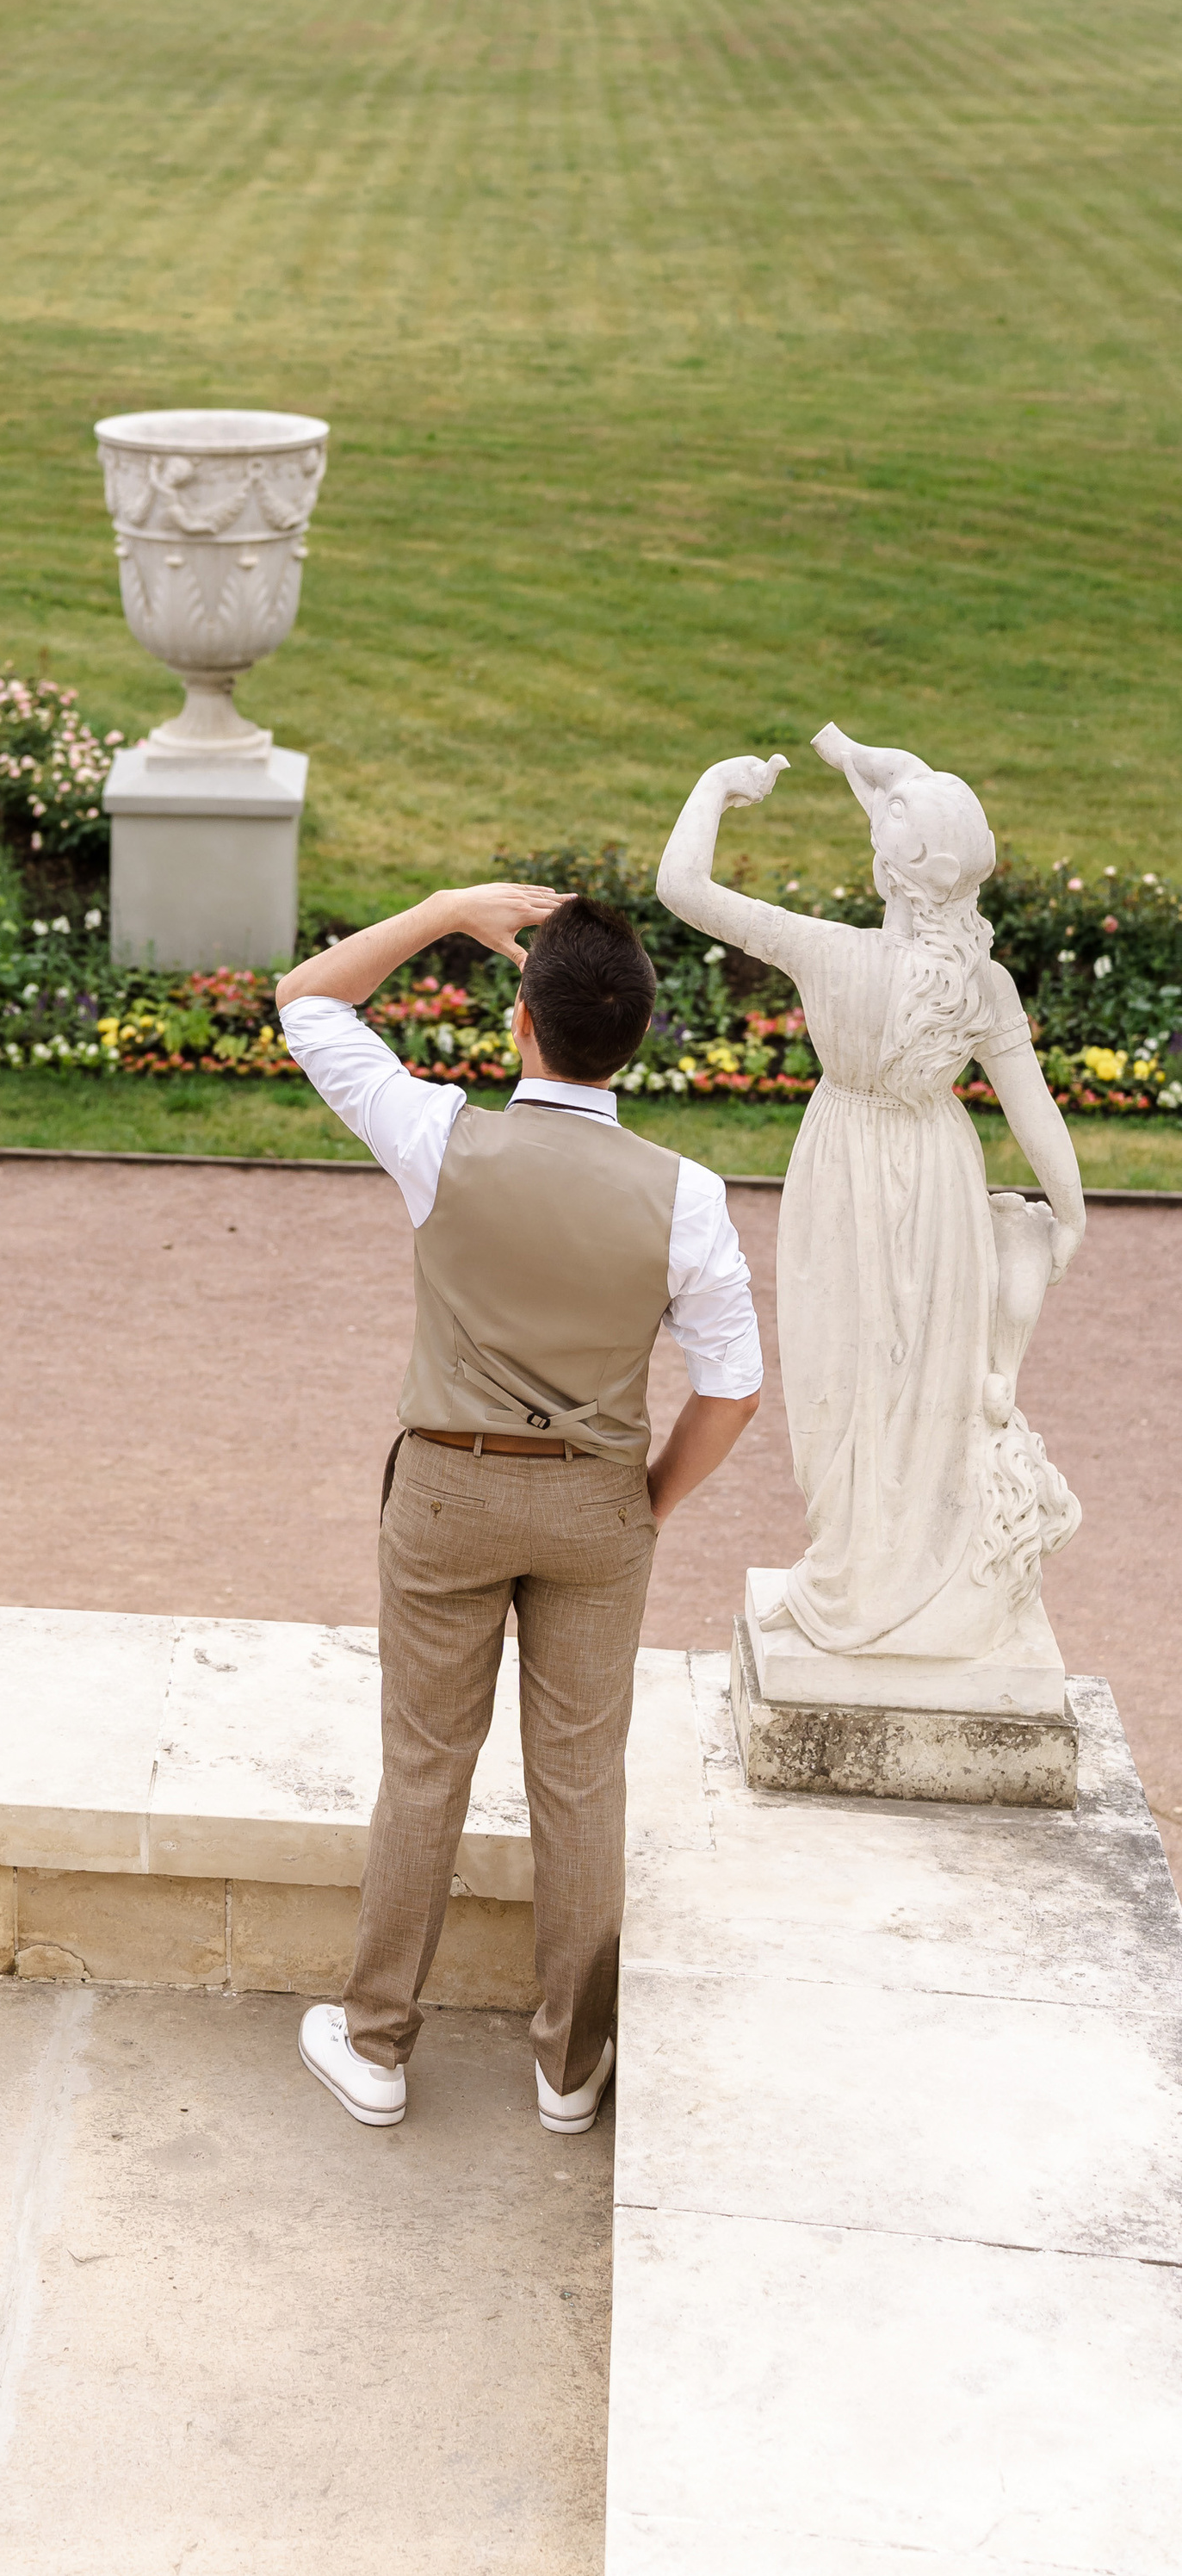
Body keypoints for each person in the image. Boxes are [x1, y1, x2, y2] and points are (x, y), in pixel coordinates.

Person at [276, 886, 763, 2135]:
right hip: (598, 1510)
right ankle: (565, 2067)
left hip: (444, 1492)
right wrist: (640, 1504)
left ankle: (377, 2045)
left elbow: (309, 1000)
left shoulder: (441, 1138)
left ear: (520, 1025)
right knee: (583, 1783)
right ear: (641, 1037)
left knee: (425, 1770)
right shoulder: (689, 1197)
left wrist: (444, 909)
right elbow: (734, 1391)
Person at [657, 731, 1081, 1659]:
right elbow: (1035, 1115)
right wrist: (1071, 1214)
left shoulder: (827, 953)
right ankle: (910, 1571)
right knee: (923, 1378)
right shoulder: (982, 982)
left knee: (841, 1371)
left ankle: (850, 1564)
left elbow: (681, 888)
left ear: (892, 867)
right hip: (936, 1171)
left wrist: (716, 787)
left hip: (842, 1164)